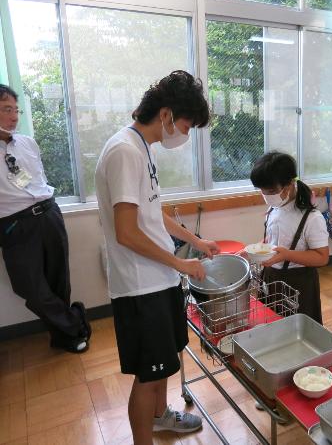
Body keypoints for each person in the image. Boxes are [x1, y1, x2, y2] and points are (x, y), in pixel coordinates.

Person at [95, 71, 220, 444]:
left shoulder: (141, 147)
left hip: (159, 279)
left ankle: (161, 416)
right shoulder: (123, 151)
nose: (185, 133)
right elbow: (127, 231)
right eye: (186, 124)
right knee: (147, 374)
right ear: (166, 114)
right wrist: (181, 263)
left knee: (166, 359)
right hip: (140, 286)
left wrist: (194, 239)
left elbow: (152, 212)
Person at [0, 84, 90, 353]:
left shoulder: (27, 143)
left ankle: (65, 338)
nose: (14, 116)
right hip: (14, 225)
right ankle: (75, 323)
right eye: (6, 109)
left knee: (58, 280)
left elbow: (35, 181)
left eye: (16, 110)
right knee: (30, 287)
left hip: (48, 214)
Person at [250, 151, 329, 324]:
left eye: (271, 190)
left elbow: (322, 257)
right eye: (262, 191)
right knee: (270, 327)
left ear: (289, 184)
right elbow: (270, 241)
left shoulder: (312, 218)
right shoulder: (273, 209)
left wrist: (287, 255)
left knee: (297, 334)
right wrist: (252, 251)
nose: (266, 195)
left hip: (298, 284)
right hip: (270, 278)